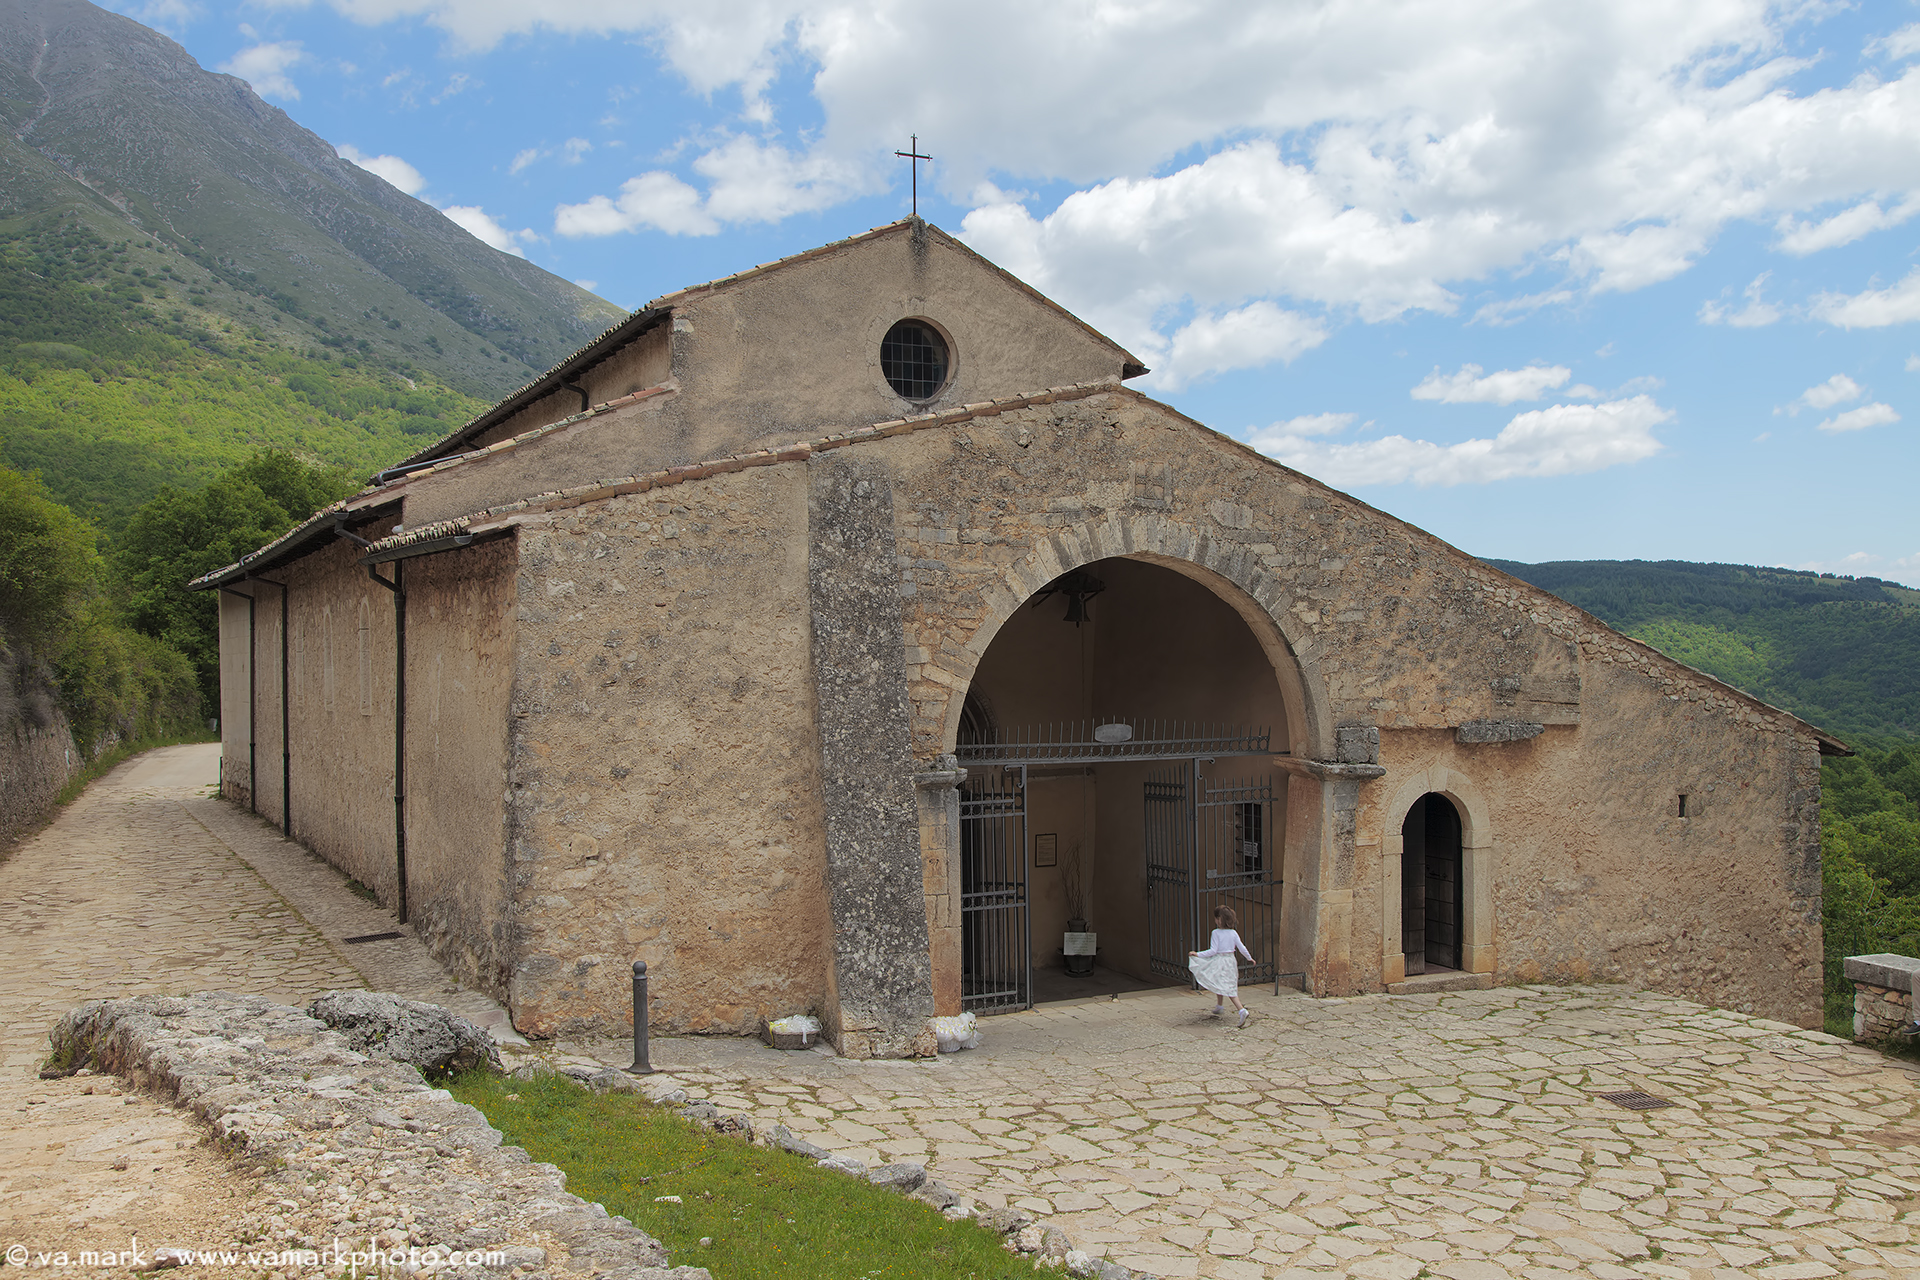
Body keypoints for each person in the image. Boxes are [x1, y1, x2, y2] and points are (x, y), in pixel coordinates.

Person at [1188, 905, 1254, 1027]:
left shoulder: (1216, 933)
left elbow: (1213, 951)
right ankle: (1219, 1006)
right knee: (1222, 983)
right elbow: (1242, 948)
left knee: (1228, 988)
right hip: (1230, 961)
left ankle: (1241, 1010)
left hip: (1220, 961)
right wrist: (1249, 958)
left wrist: (1198, 954)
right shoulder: (1233, 933)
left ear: (1219, 919)